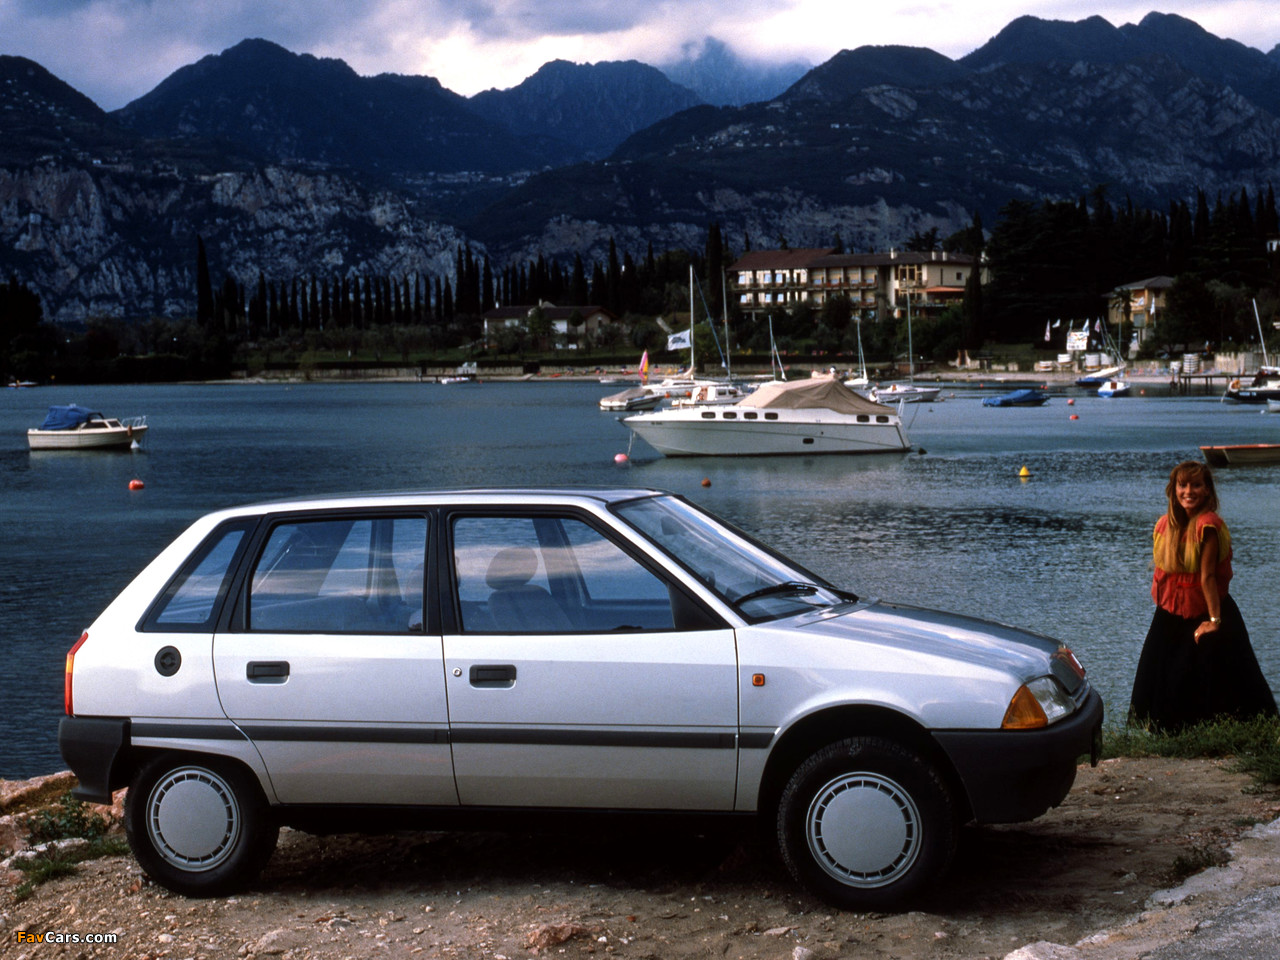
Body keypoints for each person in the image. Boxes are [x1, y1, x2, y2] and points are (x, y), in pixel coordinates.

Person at [1129, 461, 1277, 731]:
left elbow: (1207, 577)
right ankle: (1181, 735)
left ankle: (1199, 734)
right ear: (1173, 490)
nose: (1189, 491)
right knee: (1177, 678)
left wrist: (1214, 622)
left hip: (1204, 610)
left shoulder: (1207, 526)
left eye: (1196, 485)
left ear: (1208, 490)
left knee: (1205, 679)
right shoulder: (1166, 526)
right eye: (1182, 485)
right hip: (1172, 614)